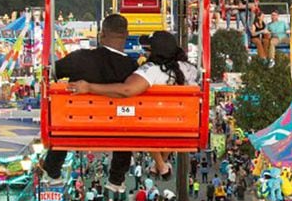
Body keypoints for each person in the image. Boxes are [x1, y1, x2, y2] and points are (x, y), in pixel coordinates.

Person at [70, 31, 200, 177]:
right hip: (183, 123)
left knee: (140, 114)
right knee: (165, 120)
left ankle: (160, 165)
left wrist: (89, 87)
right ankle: (160, 164)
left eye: (147, 50)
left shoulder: (152, 70)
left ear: (155, 52)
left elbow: (127, 90)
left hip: (152, 124)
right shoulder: (190, 68)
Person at [44, 14, 136, 192]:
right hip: (117, 127)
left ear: (102, 35)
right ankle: (116, 179)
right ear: (126, 35)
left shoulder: (80, 57)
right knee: (127, 125)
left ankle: (52, 170)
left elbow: (52, 74)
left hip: (77, 122)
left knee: (63, 120)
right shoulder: (131, 67)